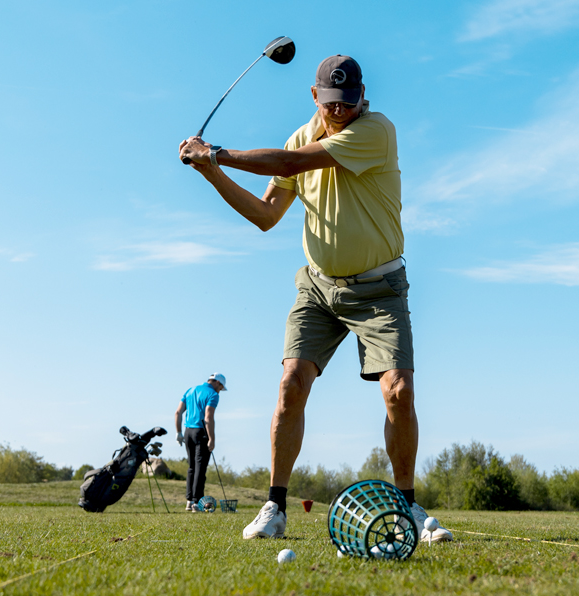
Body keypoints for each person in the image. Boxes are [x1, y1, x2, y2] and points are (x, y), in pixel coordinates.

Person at [179, 55, 452, 542]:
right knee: (290, 384)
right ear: (314, 96)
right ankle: (274, 506)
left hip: (380, 288)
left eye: (349, 101)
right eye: (331, 103)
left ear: (362, 96)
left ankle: (407, 506)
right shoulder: (297, 138)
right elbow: (266, 215)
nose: (341, 110)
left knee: (399, 391)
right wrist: (209, 172)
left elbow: (292, 163)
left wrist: (216, 153)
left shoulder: (376, 131)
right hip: (318, 287)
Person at [175, 372, 227, 512]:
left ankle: (189, 501)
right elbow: (208, 417)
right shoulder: (213, 394)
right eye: (221, 388)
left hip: (188, 432)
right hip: (201, 432)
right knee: (200, 468)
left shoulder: (190, 390)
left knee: (192, 467)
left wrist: (178, 432)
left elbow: (178, 412)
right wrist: (212, 439)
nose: (220, 391)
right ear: (217, 383)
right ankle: (197, 502)